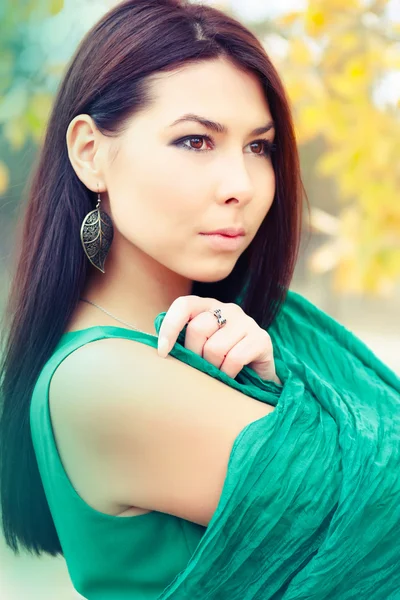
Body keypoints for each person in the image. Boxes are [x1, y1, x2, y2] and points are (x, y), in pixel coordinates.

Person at [1, 1, 400, 599]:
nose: (240, 185)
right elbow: (380, 507)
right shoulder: (100, 380)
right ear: (90, 152)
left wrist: (275, 378)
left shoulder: (249, 326)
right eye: (195, 141)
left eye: (258, 147)